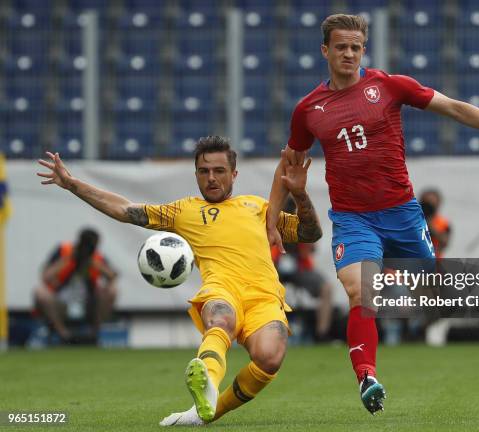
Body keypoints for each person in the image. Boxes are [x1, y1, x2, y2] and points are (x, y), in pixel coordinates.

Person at [266, 14, 479, 414]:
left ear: (364, 49)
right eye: (341, 46)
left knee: (425, 278)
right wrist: (272, 218)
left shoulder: (388, 86)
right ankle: (367, 376)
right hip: (352, 218)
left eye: (355, 46)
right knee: (359, 291)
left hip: (401, 213)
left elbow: (453, 107)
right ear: (325, 50)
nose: (348, 53)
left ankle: (406, 291)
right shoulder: (309, 109)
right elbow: (289, 164)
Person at [37, 136, 322, 426]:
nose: (211, 178)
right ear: (196, 174)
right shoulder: (184, 211)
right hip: (221, 289)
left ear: (234, 174)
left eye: (219, 171)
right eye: (204, 171)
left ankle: (205, 412)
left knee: (270, 358)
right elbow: (125, 209)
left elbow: (310, 234)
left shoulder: (259, 208)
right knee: (221, 318)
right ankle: (208, 380)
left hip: (264, 297)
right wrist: (72, 184)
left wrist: (300, 195)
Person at [34, 228, 118, 344]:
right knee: (40, 292)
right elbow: (45, 276)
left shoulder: (97, 258)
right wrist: (69, 259)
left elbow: (112, 276)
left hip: (88, 304)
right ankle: (64, 335)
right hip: (61, 303)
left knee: (112, 290)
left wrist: (92, 263)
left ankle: (94, 334)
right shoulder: (64, 251)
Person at [271, 198, 333, 341]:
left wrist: (304, 225)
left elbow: (312, 248)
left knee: (326, 288)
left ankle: (321, 334)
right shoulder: (271, 222)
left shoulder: (301, 223)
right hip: (274, 268)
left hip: (300, 268)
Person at [419, 189, 451, 258]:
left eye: (431, 204)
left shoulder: (443, 224)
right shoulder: (412, 220)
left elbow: (444, 242)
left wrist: (429, 224)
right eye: (426, 203)